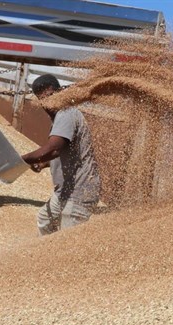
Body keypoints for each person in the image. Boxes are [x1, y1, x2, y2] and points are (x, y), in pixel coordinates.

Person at [21, 74, 101, 236]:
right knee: (45, 219)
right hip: (64, 191)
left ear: (61, 92)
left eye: (51, 96)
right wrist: (44, 163)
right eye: (43, 99)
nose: (48, 102)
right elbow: (65, 152)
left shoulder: (66, 113)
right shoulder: (61, 116)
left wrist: (21, 160)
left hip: (79, 192)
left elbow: (54, 149)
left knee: (68, 240)